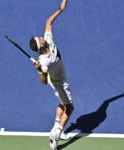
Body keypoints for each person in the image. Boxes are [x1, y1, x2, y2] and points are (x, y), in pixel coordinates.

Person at [29, 0, 74, 149]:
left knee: (62, 102)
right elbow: (42, 81)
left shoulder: (47, 41)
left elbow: (49, 22)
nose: (41, 36)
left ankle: (57, 126)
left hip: (56, 79)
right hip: (60, 82)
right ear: (40, 45)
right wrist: (39, 70)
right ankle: (56, 133)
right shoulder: (44, 61)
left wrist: (60, 10)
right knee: (70, 108)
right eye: (39, 38)